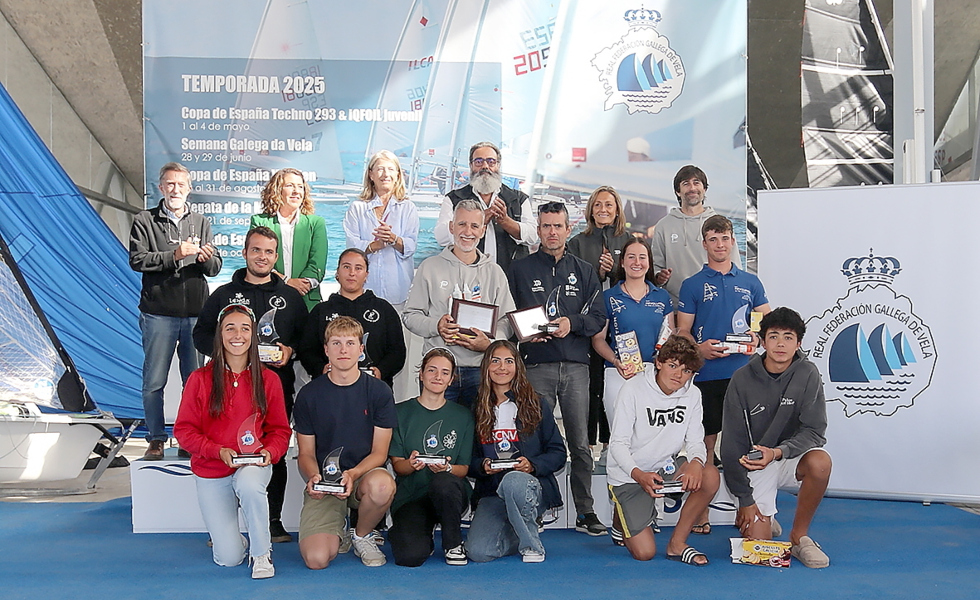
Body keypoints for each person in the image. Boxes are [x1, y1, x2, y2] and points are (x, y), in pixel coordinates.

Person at [192, 226, 308, 544]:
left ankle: (272, 521)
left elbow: (306, 338)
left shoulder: (290, 297)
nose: (262, 257)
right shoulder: (223, 295)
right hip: (227, 386)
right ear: (244, 253)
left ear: (275, 256)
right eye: (256, 250)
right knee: (227, 445)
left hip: (275, 386)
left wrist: (291, 350)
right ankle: (226, 525)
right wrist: (226, 350)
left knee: (274, 450)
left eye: (269, 252)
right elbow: (200, 334)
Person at [507, 201, 607, 537]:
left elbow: (598, 318)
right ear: (539, 229)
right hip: (536, 366)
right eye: (546, 226)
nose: (552, 232)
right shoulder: (520, 269)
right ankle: (535, 508)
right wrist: (523, 333)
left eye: (558, 226)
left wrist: (572, 322)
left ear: (568, 229)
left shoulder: (585, 269)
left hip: (577, 367)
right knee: (535, 441)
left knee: (580, 442)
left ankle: (586, 510)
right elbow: (510, 317)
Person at [173, 304, 291, 579]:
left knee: (250, 483)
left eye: (245, 329)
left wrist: (269, 452)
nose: (237, 335)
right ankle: (240, 543)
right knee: (228, 558)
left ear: (253, 335)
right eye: (230, 328)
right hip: (213, 469)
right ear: (219, 334)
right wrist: (217, 451)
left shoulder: (269, 379)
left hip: (253, 465)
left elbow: (280, 430)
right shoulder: (199, 379)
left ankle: (262, 555)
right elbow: (184, 431)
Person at [675, 214, 770, 534]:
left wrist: (757, 338)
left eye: (725, 238)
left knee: (746, 442)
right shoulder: (692, 285)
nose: (719, 244)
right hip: (707, 377)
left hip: (745, 376)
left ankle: (754, 508)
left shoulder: (751, 282)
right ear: (704, 244)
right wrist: (698, 349)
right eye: (713, 239)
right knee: (705, 443)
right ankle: (700, 511)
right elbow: (683, 330)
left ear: (733, 242)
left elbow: (763, 322)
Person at [720, 307, 832, 568]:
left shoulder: (808, 373)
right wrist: (745, 501)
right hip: (756, 462)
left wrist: (779, 452)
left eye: (788, 337)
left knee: (821, 463)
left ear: (799, 343)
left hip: (789, 456)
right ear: (762, 341)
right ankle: (764, 517)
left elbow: (815, 431)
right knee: (758, 548)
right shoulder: (741, 378)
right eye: (774, 336)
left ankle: (799, 537)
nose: (780, 343)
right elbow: (731, 444)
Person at [130, 162, 222, 460]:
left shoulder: (201, 221)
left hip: (195, 314)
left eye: (180, 185)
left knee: (194, 381)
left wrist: (207, 258)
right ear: (160, 188)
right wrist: (174, 255)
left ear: (189, 188)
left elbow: (215, 267)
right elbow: (137, 259)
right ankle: (155, 439)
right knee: (154, 381)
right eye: (170, 184)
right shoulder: (145, 220)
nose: (175, 190)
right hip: (158, 314)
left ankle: (187, 439)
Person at [294, 316, 397, 569]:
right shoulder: (309, 395)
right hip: (327, 483)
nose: (343, 350)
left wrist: (353, 473)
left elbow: (380, 453)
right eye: (336, 343)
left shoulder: (379, 391)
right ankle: (337, 524)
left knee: (383, 486)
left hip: (362, 476)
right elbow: (305, 453)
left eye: (350, 343)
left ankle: (361, 535)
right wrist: (313, 477)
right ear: (326, 350)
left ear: (361, 350)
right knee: (316, 560)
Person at [607, 335, 719, 564]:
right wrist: (639, 475)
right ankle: (621, 517)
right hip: (631, 475)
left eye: (687, 371)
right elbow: (618, 444)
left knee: (709, 475)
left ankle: (677, 544)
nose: (679, 375)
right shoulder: (633, 389)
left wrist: (696, 463)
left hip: (666, 468)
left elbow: (697, 441)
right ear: (659, 362)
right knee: (644, 553)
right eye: (673, 366)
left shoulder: (692, 394)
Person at [403, 199, 516, 408]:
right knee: (437, 433)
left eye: (474, 226)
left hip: (481, 370)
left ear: (483, 230)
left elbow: (507, 321)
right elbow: (410, 316)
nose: (468, 231)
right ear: (451, 227)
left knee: (477, 435)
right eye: (462, 224)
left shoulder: (495, 272)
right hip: (441, 370)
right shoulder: (429, 267)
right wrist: (436, 325)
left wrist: (489, 343)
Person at [466, 341, 566, 563]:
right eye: (495, 361)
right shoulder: (476, 407)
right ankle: (519, 531)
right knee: (479, 553)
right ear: (486, 367)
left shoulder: (536, 403)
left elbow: (558, 452)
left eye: (509, 361)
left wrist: (532, 465)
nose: (502, 367)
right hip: (492, 492)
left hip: (528, 486)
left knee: (514, 481)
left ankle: (532, 546)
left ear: (517, 366)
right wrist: (482, 466)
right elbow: (468, 460)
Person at [388, 348, 474, 567]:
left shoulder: (463, 416)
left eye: (445, 373)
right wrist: (411, 464)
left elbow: (463, 468)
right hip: (412, 496)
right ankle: (408, 531)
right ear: (421, 374)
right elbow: (398, 466)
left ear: (451, 379)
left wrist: (447, 469)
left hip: (449, 494)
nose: (438, 377)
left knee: (444, 482)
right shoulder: (400, 413)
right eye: (432, 370)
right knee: (410, 558)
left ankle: (453, 544)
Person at [567, 186, 635, 460]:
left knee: (617, 381)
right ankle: (588, 443)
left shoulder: (629, 240)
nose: (603, 210)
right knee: (591, 383)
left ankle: (612, 442)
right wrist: (599, 271)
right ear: (590, 209)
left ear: (617, 209)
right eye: (598, 205)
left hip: (621, 322)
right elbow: (571, 282)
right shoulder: (577, 242)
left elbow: (637, 276)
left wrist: (614, 271)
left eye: (609, 205)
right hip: (589, 323)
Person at [591, 238, 673, 425]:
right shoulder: (609, 296)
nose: (637, 262)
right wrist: (615, 361)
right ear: (622, 262)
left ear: (649, 263)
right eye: (631, 257)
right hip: (618, 372)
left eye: (642, 257)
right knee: (621, 435)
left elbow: (670, 335)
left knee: (651, 434)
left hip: (654, 373)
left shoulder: (661, 297)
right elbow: (598, 339)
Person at [298, 248, 406, 388]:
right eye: (346, 267)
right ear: (337, 272)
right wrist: (321, 369)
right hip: (329, 388)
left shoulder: (384, 309)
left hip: (373, 388)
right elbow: (307, 350)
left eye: (358, 268)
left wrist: (381, 371)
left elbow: (397, 351)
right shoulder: (321, 311)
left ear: (366, 274)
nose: (352, 273)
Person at [433, 142, 537, 271]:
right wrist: (478, 220)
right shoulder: (454, 199)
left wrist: (506, 221)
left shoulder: (518, 199)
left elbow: (533, 236)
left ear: (498, 165)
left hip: (511, 278)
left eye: (491, 162)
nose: (485, 166)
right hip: (466, 275)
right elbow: (441, 237)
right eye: (478, 161)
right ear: (471, 165)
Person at [650, 165, 742, 305]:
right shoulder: (664, 225)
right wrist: (659, 277)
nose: (692, 188)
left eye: (696, 182)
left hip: (715, 305)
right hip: (677, 306)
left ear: (704, 189)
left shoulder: (721, 223)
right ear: (678, 192)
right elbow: (655, 267)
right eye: (686, 184)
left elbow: (735, 267)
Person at [344, 150, 420, 308]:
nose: (386, 174)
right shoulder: (357, 208)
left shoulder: (407, 208)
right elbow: (351, 247)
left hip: (398, 292)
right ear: (371, 174)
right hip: (364, 290)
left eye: (391, 169)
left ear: (398, 175)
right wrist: (375, 246)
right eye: (380, 169)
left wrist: (393, 239)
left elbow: (411, 246)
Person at [250, 168, 327, 310]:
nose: (296, 191)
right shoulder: (259, 221)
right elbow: (258, 260)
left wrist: (302, 284)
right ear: (277, 190)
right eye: (290, 185)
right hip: (269, 297)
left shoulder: (316, 223)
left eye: (300, 187)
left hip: (307, 300)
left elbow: (317, 262)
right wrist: (286, 282)